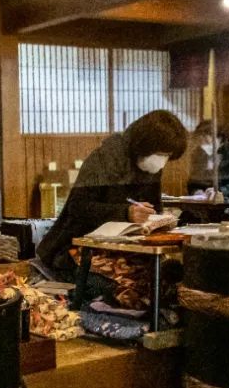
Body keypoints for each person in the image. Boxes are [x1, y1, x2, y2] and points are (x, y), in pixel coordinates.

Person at [36, 110, 189, 280]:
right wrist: (126, 213)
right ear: (145, 146)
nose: (162, 161)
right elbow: (77, 207)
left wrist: (160, 222)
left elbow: (154, 208)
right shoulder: (106, 158)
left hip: (123, 247)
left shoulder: (150, 165)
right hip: (75, 249)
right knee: (130, 285)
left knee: (168, 277)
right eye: (160, 154)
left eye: (167, 156)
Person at [187, 120, 229, 199]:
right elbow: (193, 181)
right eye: (201, 142)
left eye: (207, 142)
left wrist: (220, 191)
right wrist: (197, 191)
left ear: (220, 138)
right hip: (207, 202)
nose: (203, 146)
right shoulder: (200, 155)